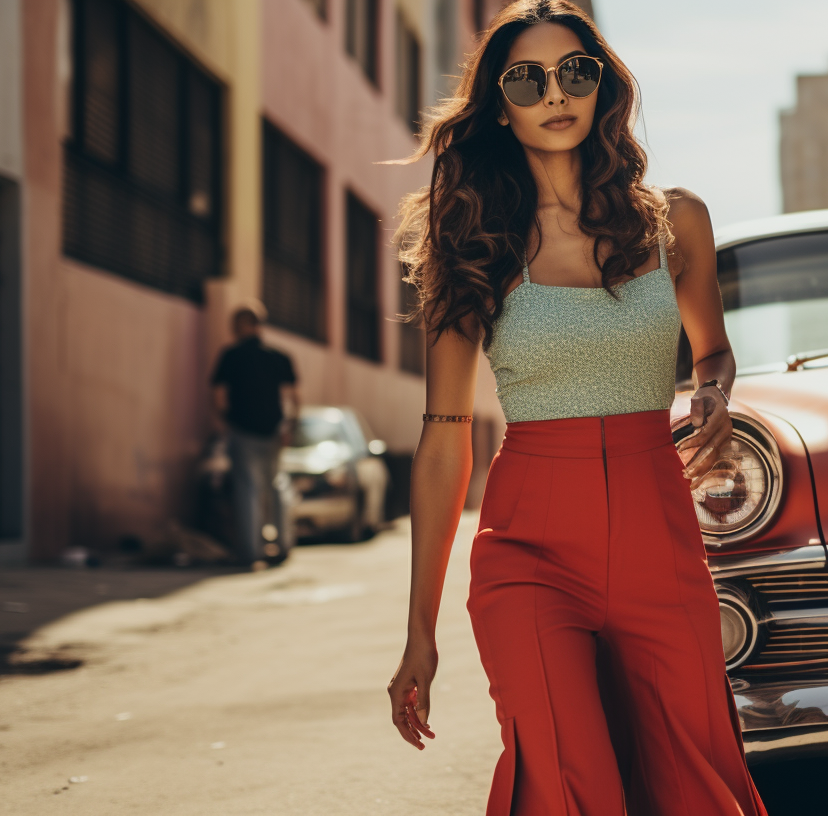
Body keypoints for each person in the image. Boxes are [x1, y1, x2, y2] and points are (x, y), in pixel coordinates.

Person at [383, 2, 767, 813]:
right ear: (498, 102)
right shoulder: (471, 241)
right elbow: (445, 440)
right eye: (527, 78)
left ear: (604, 88)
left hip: (657, 536)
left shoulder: (676, 224)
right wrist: (420, 631)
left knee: (690, 774)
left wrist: (713, 391)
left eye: (575, 72)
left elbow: (715, 352)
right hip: (528, 547)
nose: (555, 93)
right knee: (567, 776)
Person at [211, 303, 299, 568]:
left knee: (247, 490)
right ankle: (283, 546)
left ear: (242, 325)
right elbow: (294, 397)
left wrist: (227, 422)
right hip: (273, 431)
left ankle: (250, 554)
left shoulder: (230, 355)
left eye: (235, 324)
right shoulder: (279, 356)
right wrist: (290, 427)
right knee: (277, 486)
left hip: (243, 431)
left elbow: (218, 395)